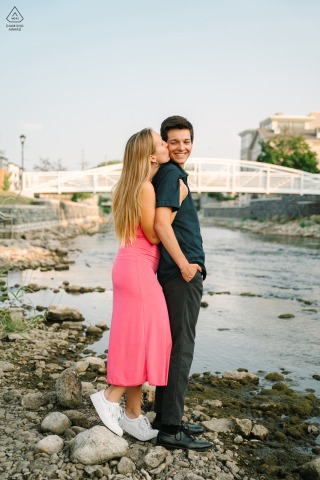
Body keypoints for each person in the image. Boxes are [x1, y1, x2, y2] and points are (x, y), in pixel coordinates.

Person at [90, 128, 186, 442]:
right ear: (149, 155)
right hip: (138, 270)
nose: (167, 147)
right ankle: (109, 396)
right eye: (162, 143)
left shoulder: (130, 185)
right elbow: (156, 233)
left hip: (130, 267)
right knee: (153, 338)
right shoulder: (145, 188)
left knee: (138, 338)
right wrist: (177, 202)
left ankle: (132, 415)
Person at [151, 116, 213, 451]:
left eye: (186, 141)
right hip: (181, 276)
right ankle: (171, 429)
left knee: (173, 345)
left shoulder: (170, 174)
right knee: (181, 348)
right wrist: (187, 267)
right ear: (163, 143)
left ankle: (165, 417)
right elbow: (162, 225)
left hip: (174, 274)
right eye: (173, 141)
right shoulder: (173, 175)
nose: (181, 147)